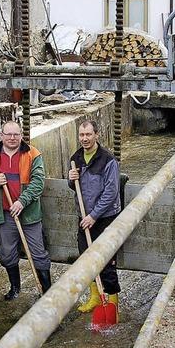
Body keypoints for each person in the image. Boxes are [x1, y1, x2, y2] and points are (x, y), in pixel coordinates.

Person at [0, 121, 52, 299]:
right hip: (5, 215)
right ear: (1, 135)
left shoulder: (33, 154)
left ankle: (47, 293)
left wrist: (22, 202)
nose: (12, 138)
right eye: (8, 134)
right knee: (7, 254)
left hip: (29, 214)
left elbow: (38, 182)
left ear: (21, 135)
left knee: (39, 254)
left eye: (16, 134)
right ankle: (15, 288)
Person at [68, 121, 121, 313]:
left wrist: (94, 215)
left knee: (106, 262)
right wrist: (71, 179)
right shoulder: (76, 158)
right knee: (86, 259)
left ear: (96, 135)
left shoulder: (107, 160)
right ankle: (95, 297)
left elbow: (112, 192)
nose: (84, 139)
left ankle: (113, 303)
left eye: (88, 134)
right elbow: (75, 188)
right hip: (84, 217)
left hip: (105, 218)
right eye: (81, 135)